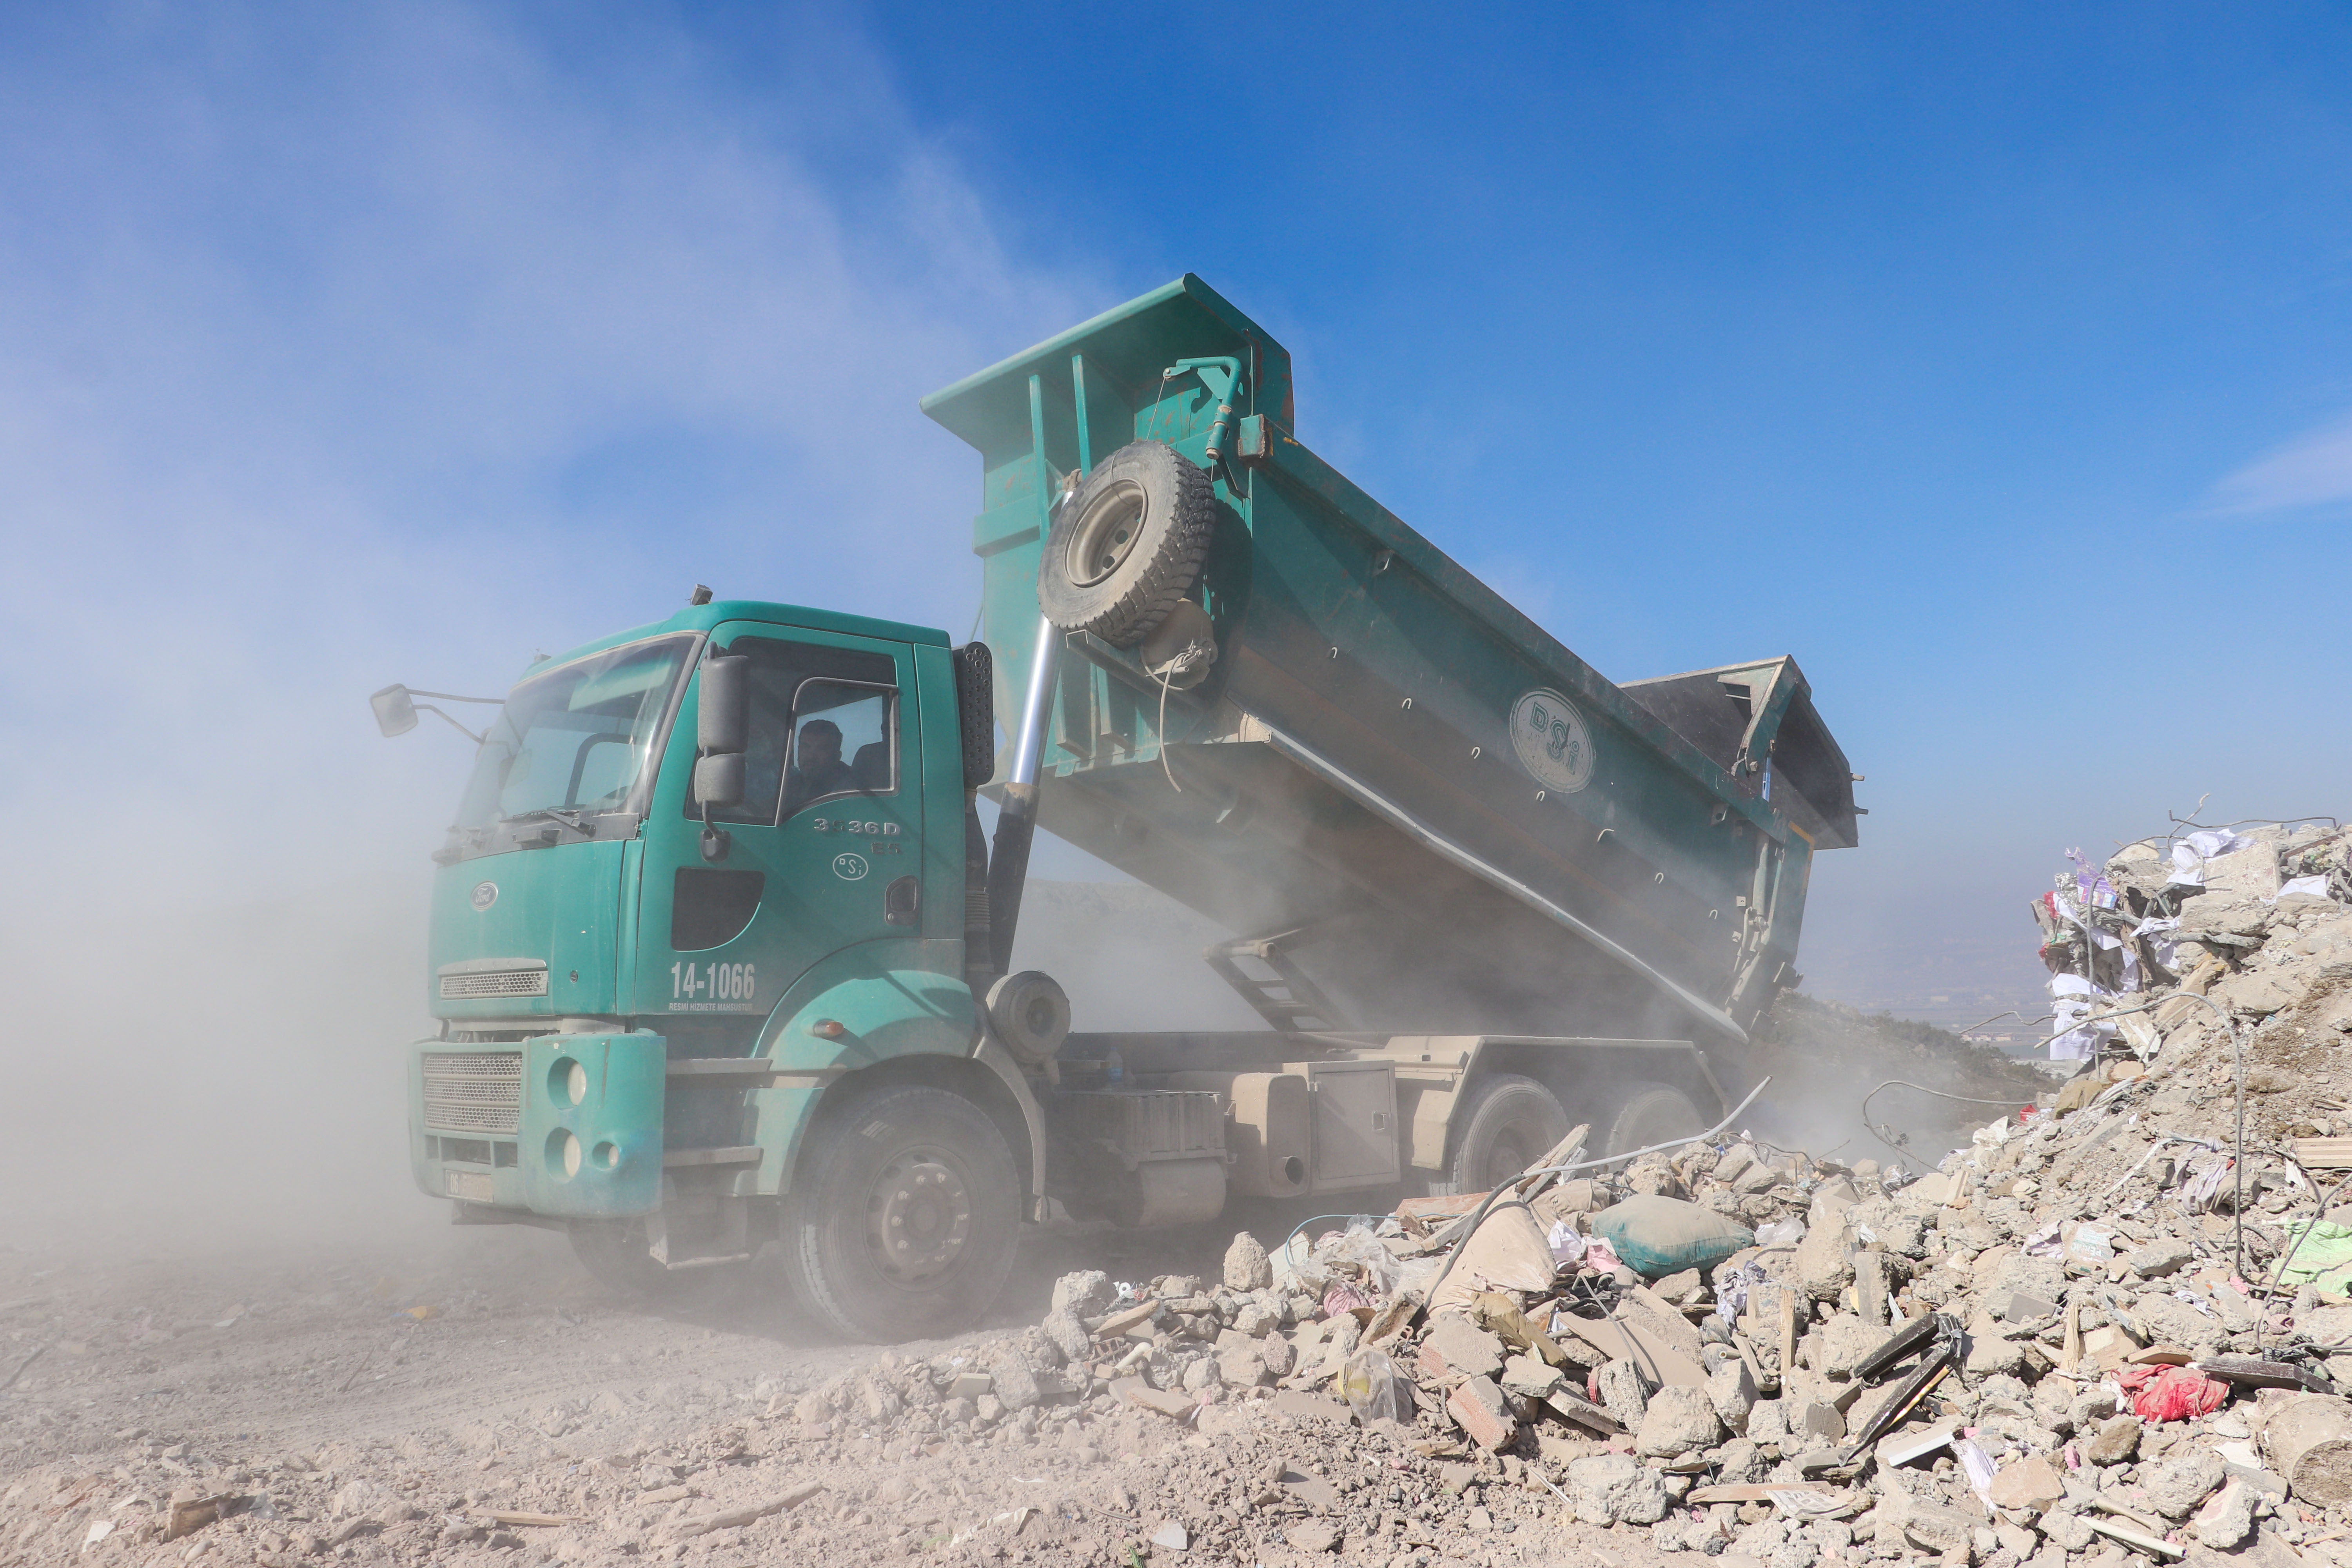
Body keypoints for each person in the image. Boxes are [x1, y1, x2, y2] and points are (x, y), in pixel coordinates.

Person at [784, 718, 856, 809]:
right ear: (798, 750)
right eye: (806, 747)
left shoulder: (850, 789)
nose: (811, 756)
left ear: (837, 756)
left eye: (821, 749)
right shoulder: (790, 785)